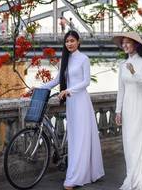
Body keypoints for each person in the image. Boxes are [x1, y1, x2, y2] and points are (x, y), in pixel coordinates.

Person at [38, 30, 104, 189]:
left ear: (78, 42)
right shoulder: (65, 60)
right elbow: (56, 80)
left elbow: (86, 82)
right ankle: (81, 172)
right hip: (71, 104)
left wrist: (69, 90)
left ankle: (75, 177)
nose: (69, 44)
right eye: (67, 41)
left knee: (81, 138)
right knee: (74, 139)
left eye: (72, 41)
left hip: (81, 101)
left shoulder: (84, 59)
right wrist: (40, 88)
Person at [114, 32, 142, 190]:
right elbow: (121, 89)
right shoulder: (122, 64)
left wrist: (134, 72)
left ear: (136, 45)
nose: (125, 45)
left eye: (128, 43)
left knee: (137, 143)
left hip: (140, 107)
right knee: (128, 144)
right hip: (127, 107)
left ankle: (138, 182)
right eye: (123, 43)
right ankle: (132, 178)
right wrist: (118, 111)